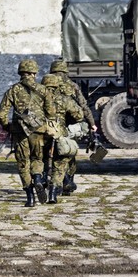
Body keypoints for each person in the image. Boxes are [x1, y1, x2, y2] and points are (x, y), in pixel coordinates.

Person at [0, 59, 54, 207]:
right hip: (39, 132)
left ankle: (30, 198)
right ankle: (38, 179)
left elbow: (1, 114)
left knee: (23, 163)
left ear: (20, 73)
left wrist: (8, 127)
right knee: (37, 159)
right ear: (34, 73)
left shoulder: (13, 90)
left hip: (20, 132)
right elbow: (51, 113)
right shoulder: (43, 90)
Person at [49, 60, 96, 195]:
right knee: (68, 153)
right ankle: (67, 183)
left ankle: (56, 182)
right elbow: (83, 106)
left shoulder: (45, 84)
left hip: (47, 125)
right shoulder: (72, 85)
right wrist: (92, 123)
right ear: (65, 71)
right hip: (68, 125)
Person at [41, 74, 85, 204]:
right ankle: (53, 193)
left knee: (40, 160)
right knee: (60, 164)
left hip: (41, 134)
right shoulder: (64, 99)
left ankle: (42, 180)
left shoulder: (37, 99)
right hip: (59, 134)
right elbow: (79, 115)